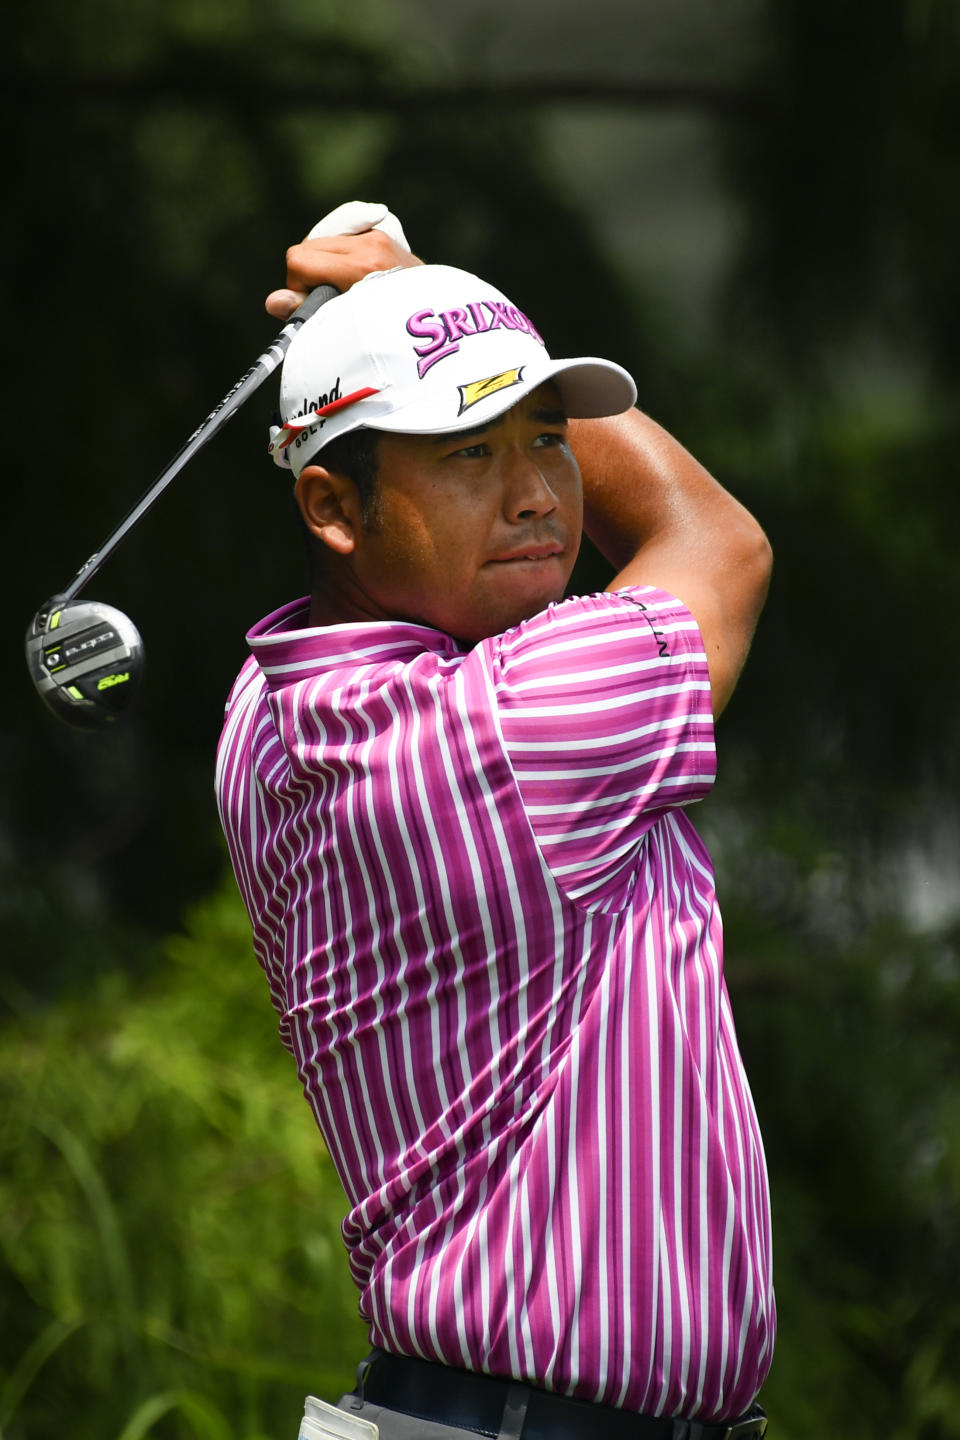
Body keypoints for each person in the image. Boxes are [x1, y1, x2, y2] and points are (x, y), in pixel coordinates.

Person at [216, 203, 775, 1440]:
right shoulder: (518, 722)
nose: (537, 497)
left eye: (551, 439)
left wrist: (434, 315)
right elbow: (717, 542)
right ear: (332, 507)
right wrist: (418, 282)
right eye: (470, 452)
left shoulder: (265, 711)